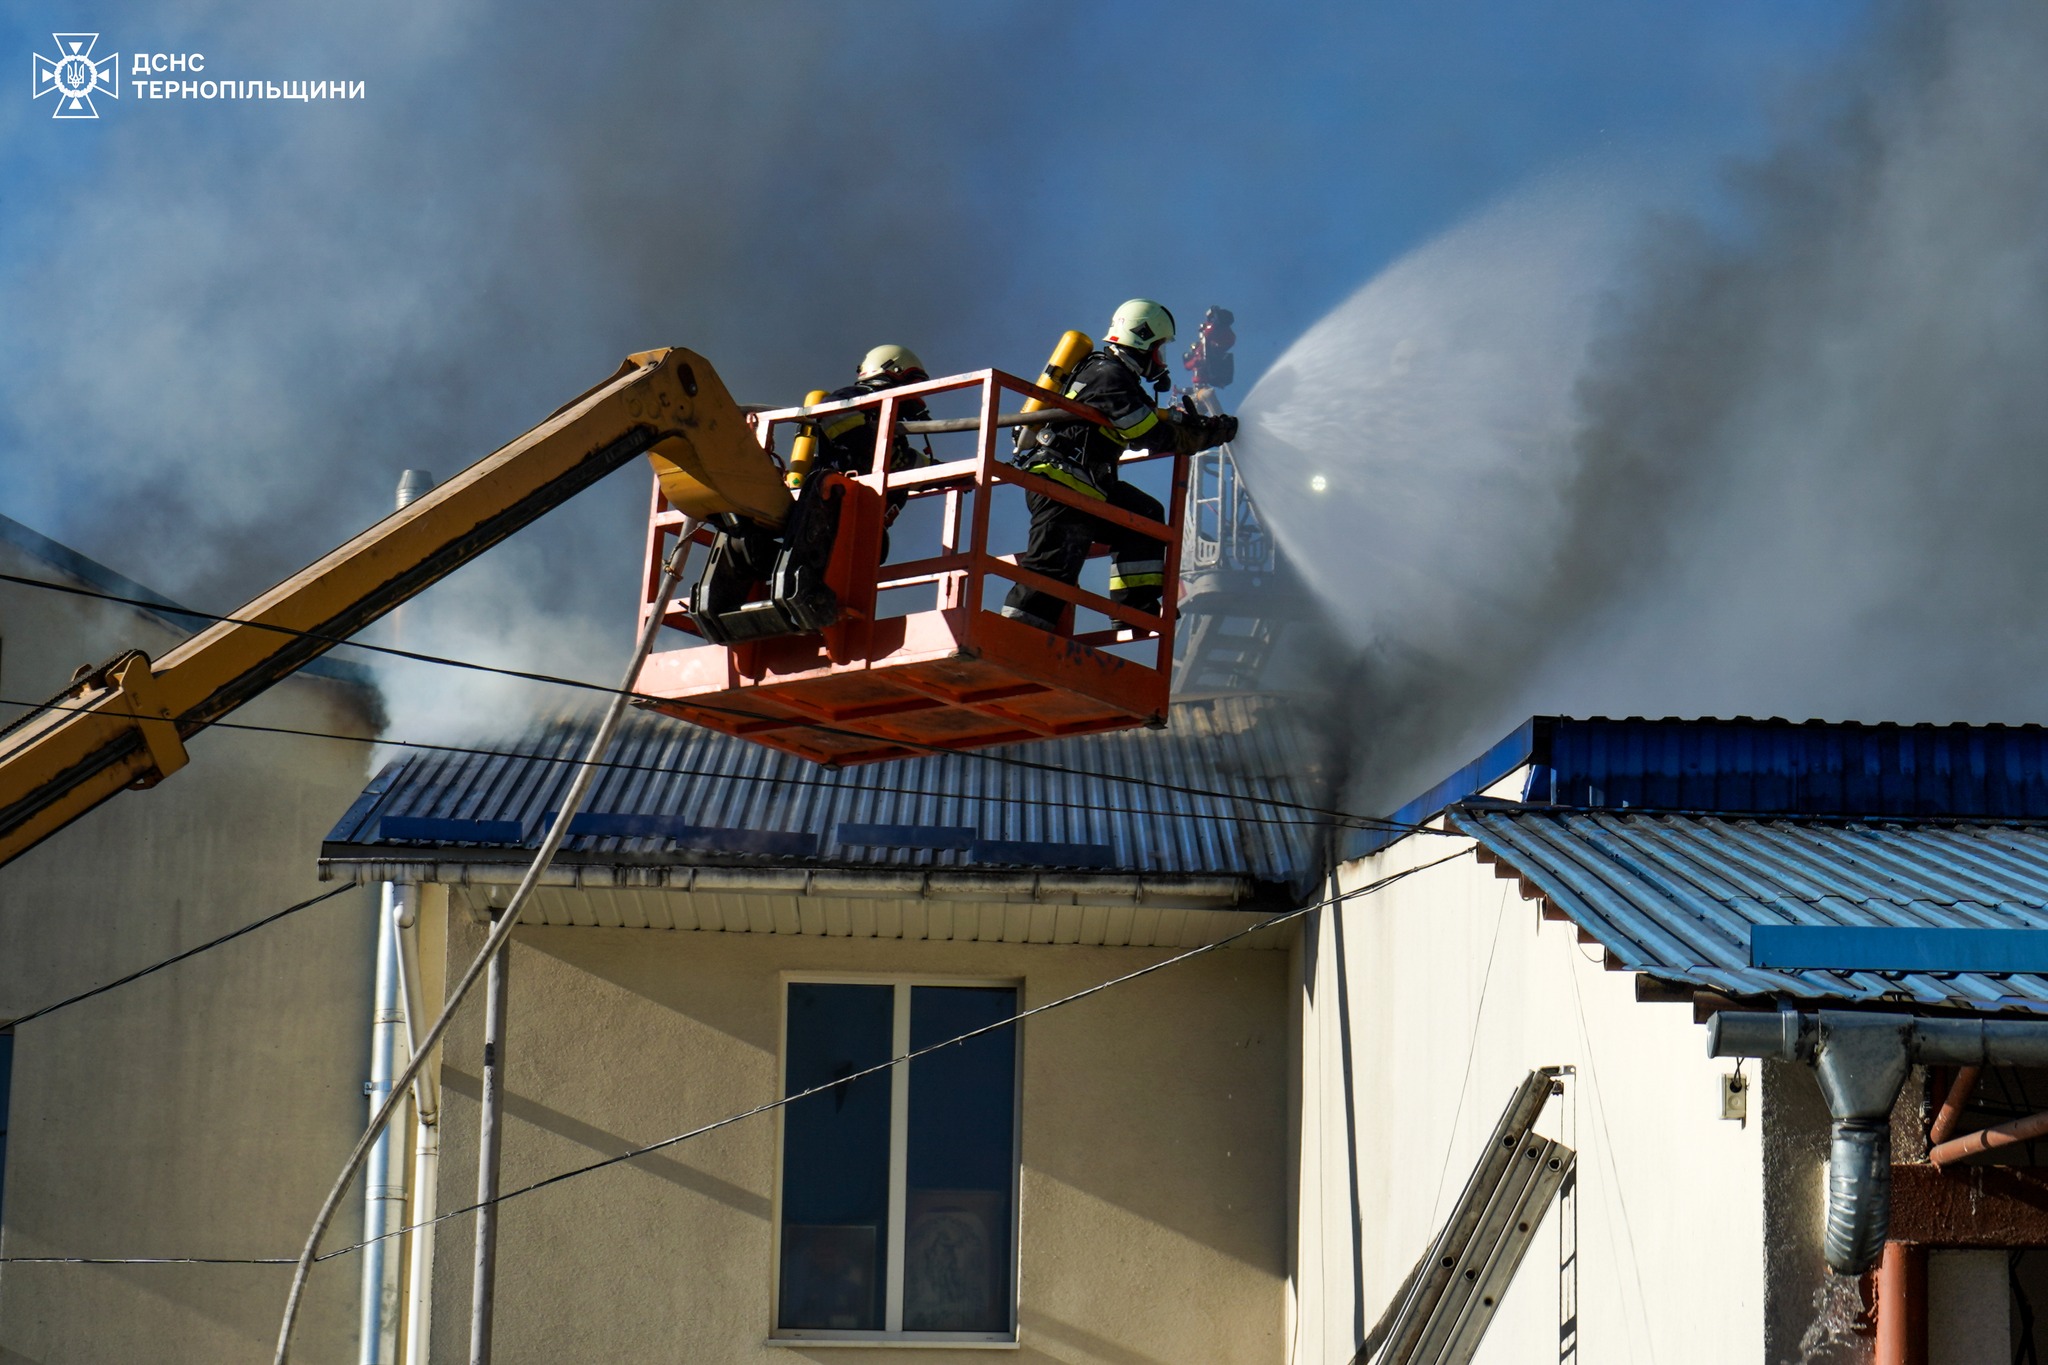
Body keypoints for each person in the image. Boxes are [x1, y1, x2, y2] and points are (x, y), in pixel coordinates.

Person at [1000, 300, 1237, 632]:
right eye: (1159, 348)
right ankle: (1015, 636)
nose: (1160, 359)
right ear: (1141, 340)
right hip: (1061, 481)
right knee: (1053, 568)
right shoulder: (1109, 376)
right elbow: (1149, 433)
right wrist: (1206, 436)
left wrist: (1201, 429)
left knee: (1144, 516)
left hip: (1087, 483)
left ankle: (1134, 609)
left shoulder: (1116, 377)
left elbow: (1153, 422)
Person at [698, 344, 932, 623]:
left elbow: (903, 462)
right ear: (893, 372)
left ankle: (794, 585)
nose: (916, 395)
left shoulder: (890, 425)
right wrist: (873, 445)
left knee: (854, 553)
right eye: (913, 384)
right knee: (815, 545)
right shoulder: (861, 399)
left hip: (860, 522)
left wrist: (945, 471)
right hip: (834, 502)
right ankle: (792, 587)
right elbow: (833, 412)